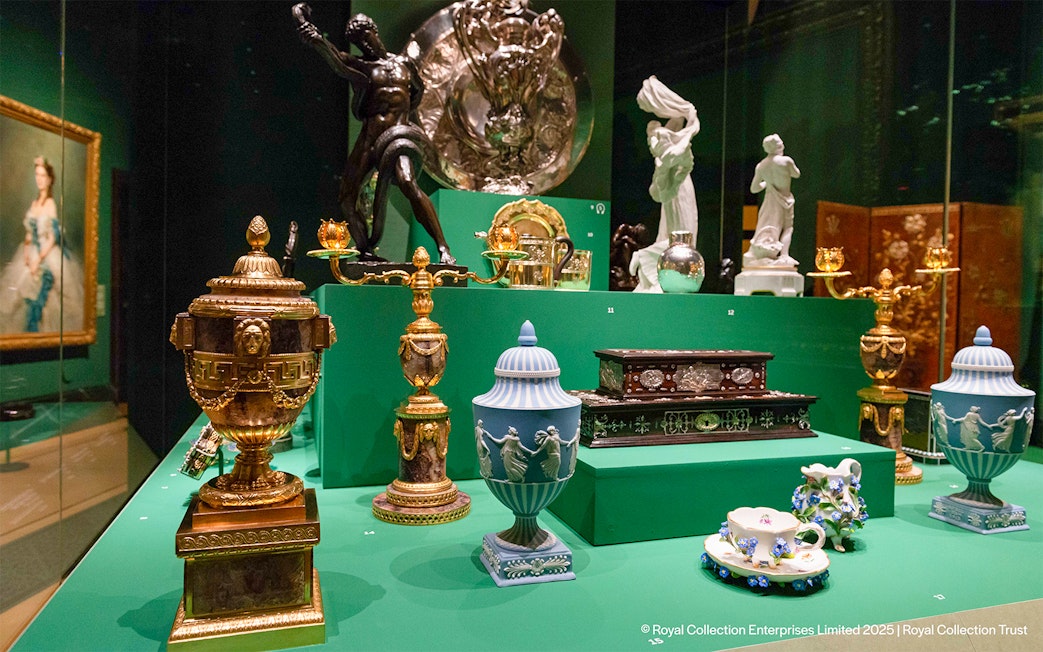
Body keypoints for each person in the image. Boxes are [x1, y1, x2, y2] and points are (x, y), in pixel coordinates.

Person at [294, 4, 454, 264]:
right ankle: (365, 249)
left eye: (366, 37)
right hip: (370, 138)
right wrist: (316, 39)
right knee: (347, 196)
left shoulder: (405, 65)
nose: (366, 45)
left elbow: (417, 94)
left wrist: (401, 124)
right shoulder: (363, 67)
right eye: (359, 43)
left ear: (374, 33)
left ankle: (444, 248)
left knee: (408, 184)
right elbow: (337, 60)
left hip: (398, 137)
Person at [629, 76, 700, 293]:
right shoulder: (665, 139)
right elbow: (658, 188)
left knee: (683, 237)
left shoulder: (675, 131)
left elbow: (683, 160)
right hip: (675, 190)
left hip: (680, 187)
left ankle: (666, 273)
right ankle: (650, 263)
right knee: (681, 238)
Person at [0, 156, 84, 334]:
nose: (39, 179)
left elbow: (53, 237)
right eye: (37, 175)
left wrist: (38, 259)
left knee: (50, 300)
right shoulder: (34, 203)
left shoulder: (51, 204)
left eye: (43, 176)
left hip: (47, 254)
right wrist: (26, 254)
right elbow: (29, 234)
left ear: (50, 180)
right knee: (17, 293)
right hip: (31, 253)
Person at [744, 134, 800, 268]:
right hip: (785, 199)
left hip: (770, 199)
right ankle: (784, 254)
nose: (783, 146)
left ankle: (766, 253)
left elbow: (754, 188)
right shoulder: (786, 161)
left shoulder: (761, 166)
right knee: (787, 227)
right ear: (778, 147)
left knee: (767, 226)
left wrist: (766, 183)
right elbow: (796, 174)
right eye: (781, 144)